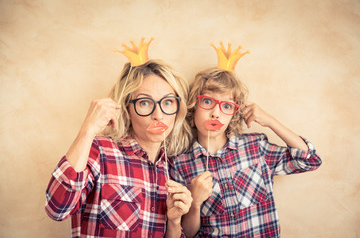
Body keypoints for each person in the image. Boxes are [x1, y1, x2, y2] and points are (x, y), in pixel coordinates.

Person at [170, 51, 322, 237]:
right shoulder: (179, 164)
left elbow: (309, 160)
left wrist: (271, 121)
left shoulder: (256, 147)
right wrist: (195, 203)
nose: (216, 113)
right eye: (208, 101)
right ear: (194, 106)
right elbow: (187, 234)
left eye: (226, 106)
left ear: (235, 113)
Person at [45, 54, 193, 237]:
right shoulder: (100, 151)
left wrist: (174, 222)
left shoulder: (174, 169)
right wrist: (87, 130)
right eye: (145, 103)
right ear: (127, 108)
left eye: (168, 102)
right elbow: (56, 209)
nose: (159, 115)